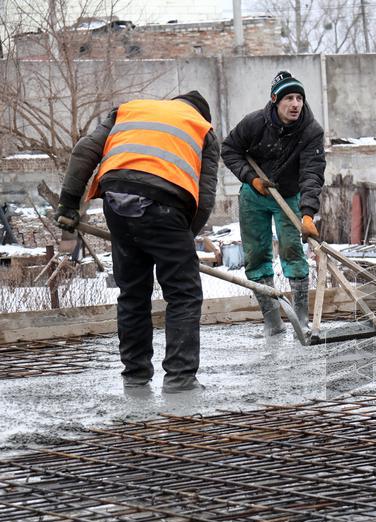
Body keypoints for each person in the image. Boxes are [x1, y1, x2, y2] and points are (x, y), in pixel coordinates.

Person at [55, 91, 219, 394]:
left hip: (117, 199)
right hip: (166, 204)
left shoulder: (129, 111)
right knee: (183, 294)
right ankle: (180, 379)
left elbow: (85, 149)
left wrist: (67, 203)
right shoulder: (202, 128)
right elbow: (205, 197)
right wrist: (184, 237)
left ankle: (135, 376)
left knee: (132, 293)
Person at [221, 70, 324, 337]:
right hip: (254, 196)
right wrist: (250, 178)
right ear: (275, 100)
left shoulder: (310, 132)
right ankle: (272, 321)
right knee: (256, 257)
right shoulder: (254, 123)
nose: (295, 104)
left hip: (288, 197)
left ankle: (300, 319)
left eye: (299, 98)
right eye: (289, 98)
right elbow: (229, 150)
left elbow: (312, 174)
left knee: (293, 252)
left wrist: (308, 214)